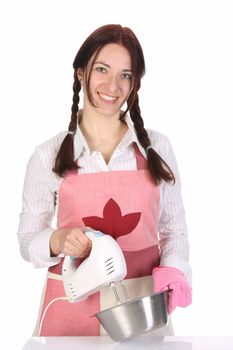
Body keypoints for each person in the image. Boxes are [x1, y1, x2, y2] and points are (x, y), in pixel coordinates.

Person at [17, 24, 192, 336]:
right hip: (70, 310)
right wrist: (59, 239)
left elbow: (174, 231)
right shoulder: (48, 156)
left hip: (142, 312)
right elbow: (28, 240)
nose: (113, 85)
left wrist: (175, 270)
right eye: (102, 69)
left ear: (135, 82)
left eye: (125, 74)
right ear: (81, 73)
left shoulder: (157, 148)